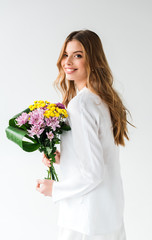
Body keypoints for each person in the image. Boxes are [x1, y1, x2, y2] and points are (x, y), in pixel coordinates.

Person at [36, 29, 134, 240]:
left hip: (84, 220)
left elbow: (93, 173)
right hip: (107, 213)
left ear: (93, 59)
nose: (68, 61)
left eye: (78, 55)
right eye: (65, 54)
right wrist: (65, 157)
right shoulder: (101, 99)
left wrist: (56, 189)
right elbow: (99, 157)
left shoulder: (81, 104)